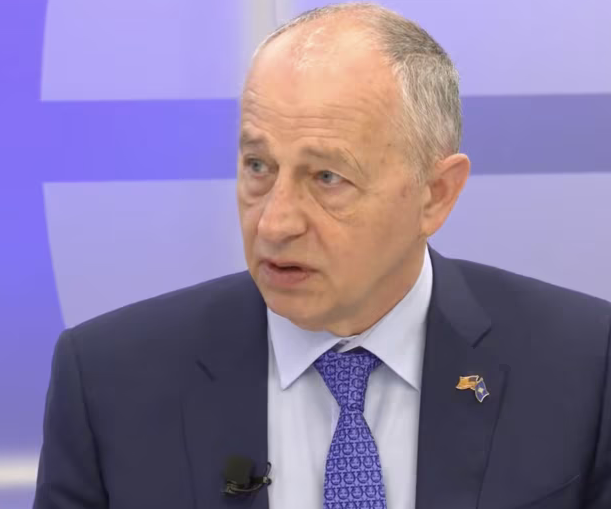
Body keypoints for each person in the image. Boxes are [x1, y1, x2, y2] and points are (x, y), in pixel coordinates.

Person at [32, 3, 611, 508]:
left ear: (435, 194)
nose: (275, 222)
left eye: (328, 177)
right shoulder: (109, 382)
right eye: (258, 167)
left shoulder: (582, 366)